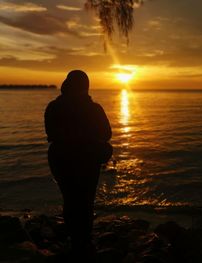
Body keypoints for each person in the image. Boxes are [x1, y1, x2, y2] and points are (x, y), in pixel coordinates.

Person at [45, 70, 112, 259]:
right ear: (86, 86)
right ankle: (84, 241)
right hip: (86, 159)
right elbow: (107, 134)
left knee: (70, 198)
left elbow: (50, 133)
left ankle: (75, 240)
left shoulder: (53, 107)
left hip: (60, 159)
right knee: (86, 199)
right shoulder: (94, 109)